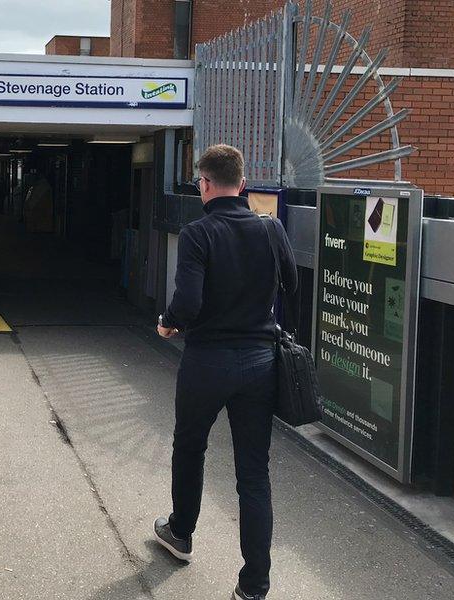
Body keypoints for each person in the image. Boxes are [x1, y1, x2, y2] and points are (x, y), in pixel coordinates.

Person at [153, 145, 297, 600]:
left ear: (207, 184)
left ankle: (180, 533)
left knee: (190, 445)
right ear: (243, 182)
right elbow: (291, 283)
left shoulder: (199, 232)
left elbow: (189, 303)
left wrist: (168, 321)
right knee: (253, 472)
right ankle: (254, 585)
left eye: (199, 183)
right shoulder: (271, 228)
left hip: (208, 362)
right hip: (260, 361)